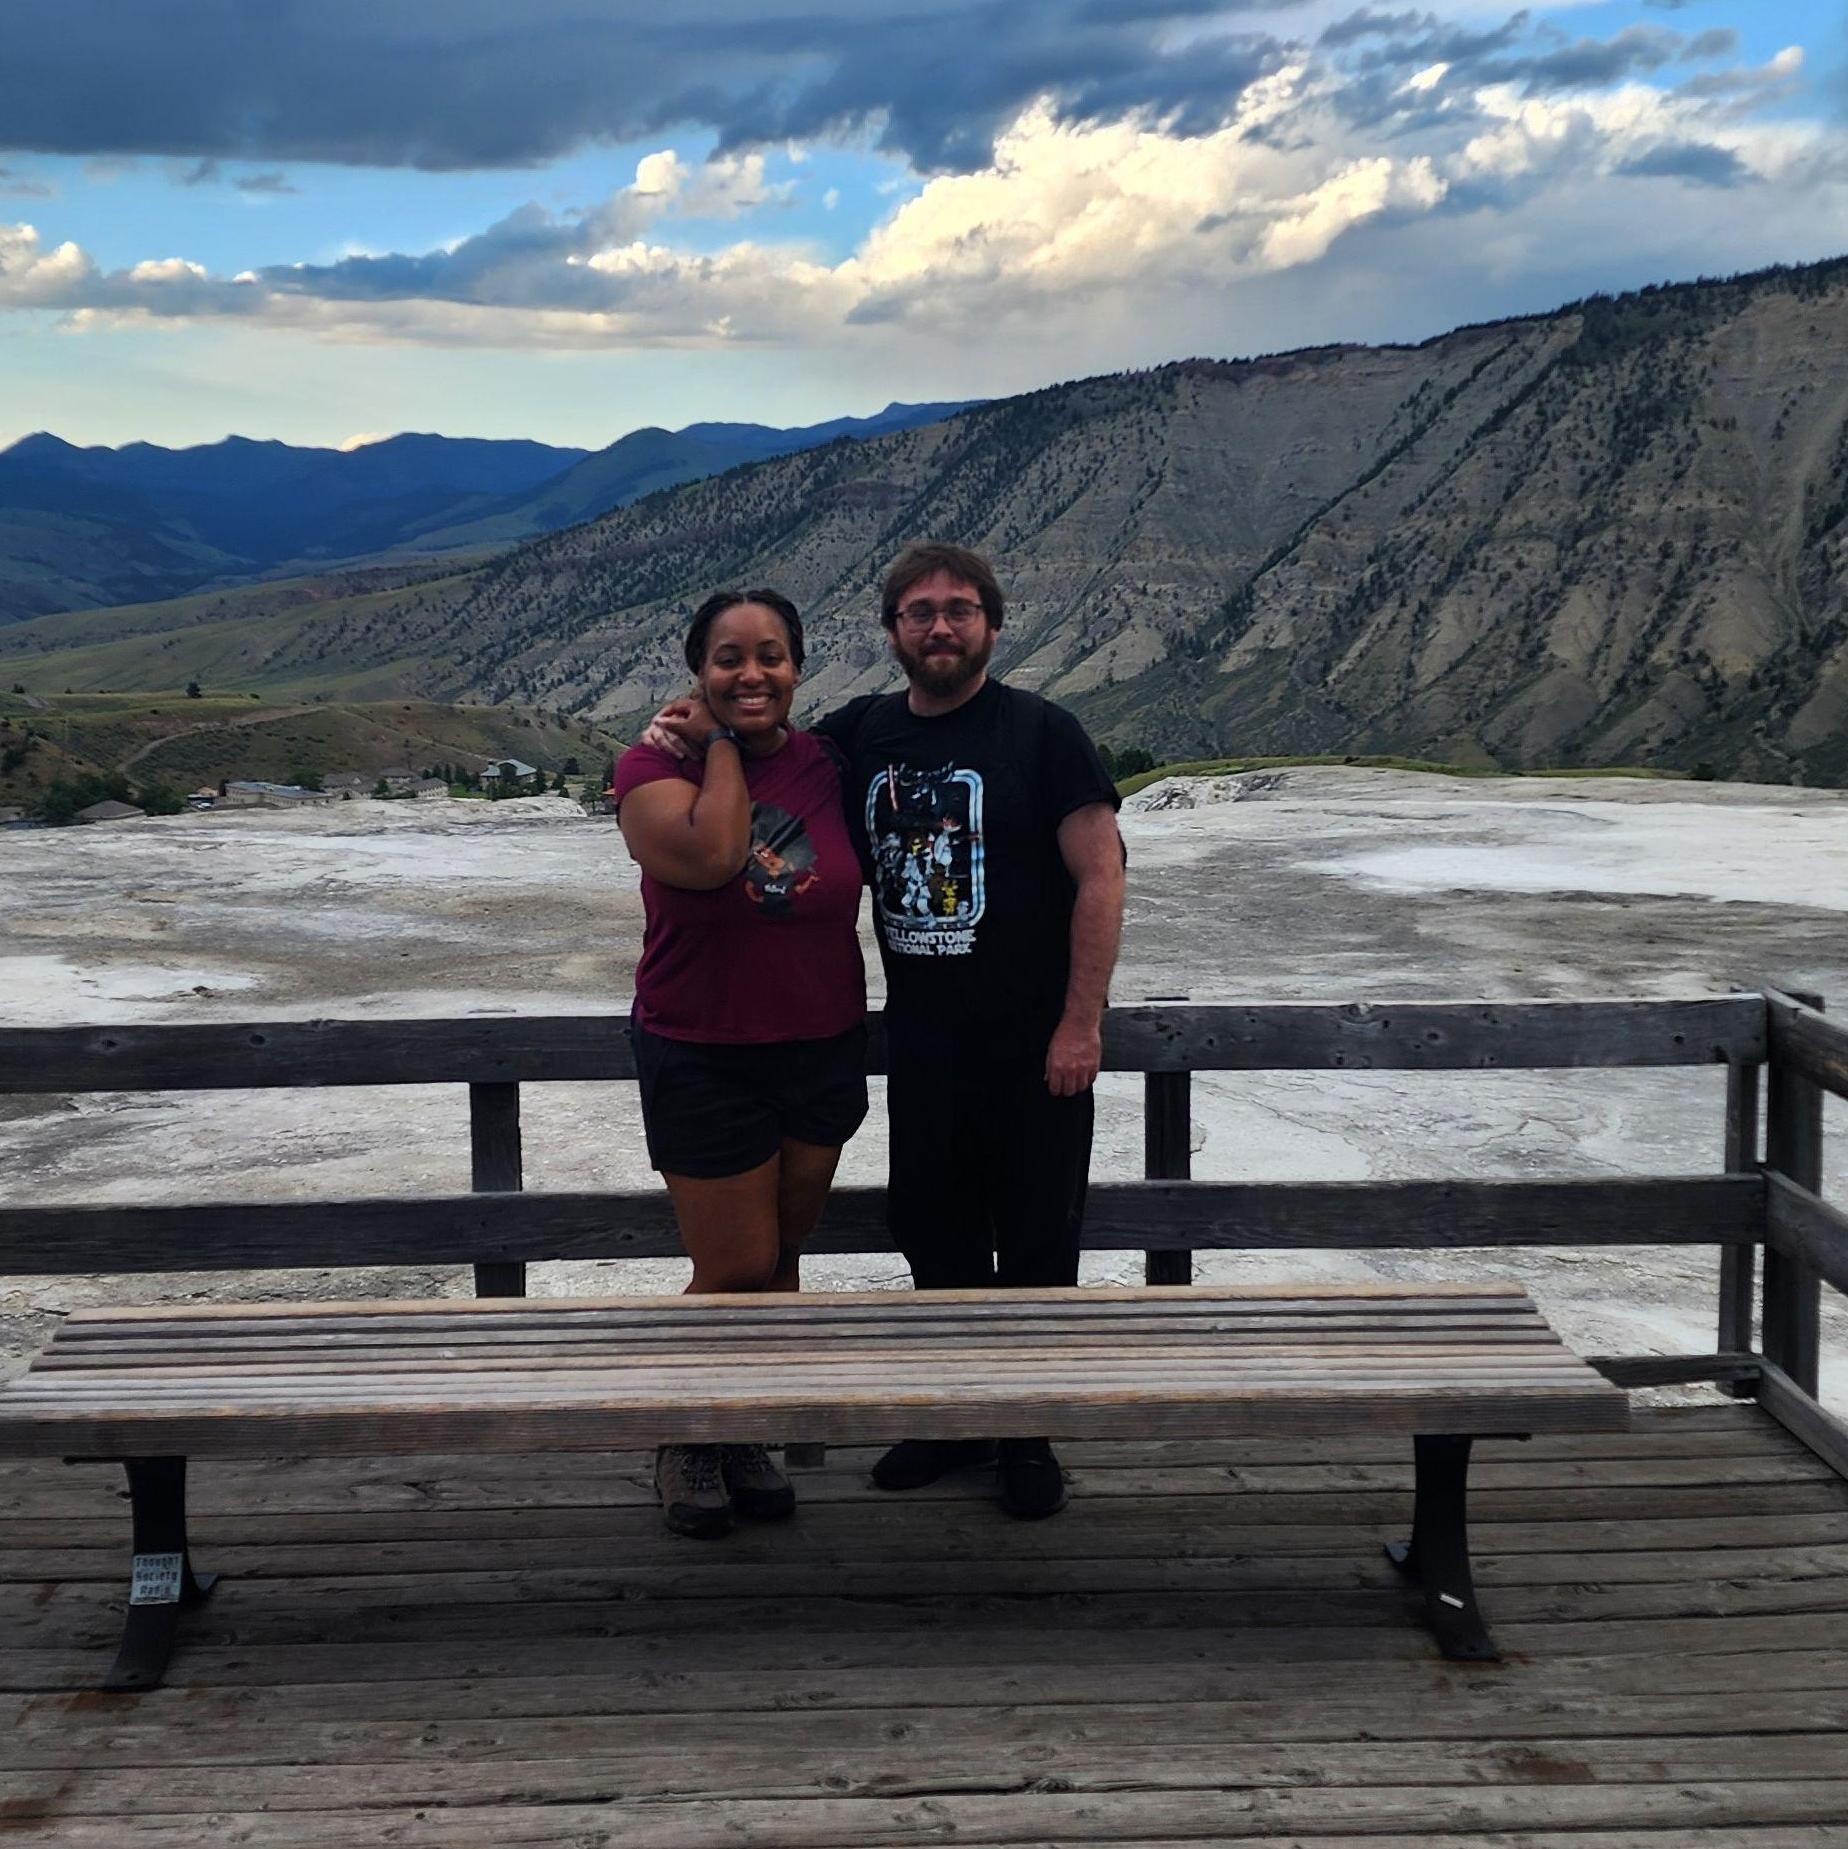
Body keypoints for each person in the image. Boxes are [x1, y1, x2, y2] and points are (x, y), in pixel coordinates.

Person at [652, 544, 1126, 1520]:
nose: (940, 626)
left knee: (1036, 1240)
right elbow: (767, 733)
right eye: (919, 611)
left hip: (1033, 1045)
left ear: (993, 625)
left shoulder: (1046, 733)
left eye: (959, 609)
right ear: (893, 632)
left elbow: (1102, 877)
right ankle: (953, 1421)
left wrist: (1081, 1022)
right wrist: (692, 731)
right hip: (923, 1043)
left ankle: (1026, 1434)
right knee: (936, 1234)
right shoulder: (861, 733)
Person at [614, 588, 868, 1540]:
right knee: (735, 1265)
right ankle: (685, 1434)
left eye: (771, 655)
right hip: (702, 1049)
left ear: (798, 667)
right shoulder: (650, 765)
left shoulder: (830, 763)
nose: (751, 673)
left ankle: (742, 1428)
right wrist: (720, 743)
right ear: (699, 669)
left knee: (783, 1262)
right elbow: (717, 854)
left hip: (821, 1043)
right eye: (729, 658)